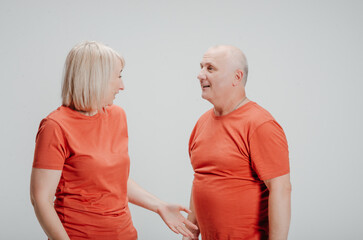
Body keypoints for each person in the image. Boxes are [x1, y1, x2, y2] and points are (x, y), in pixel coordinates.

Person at [30, 41, 198, 240]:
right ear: (96, 78)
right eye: (118, 76)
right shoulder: (55, 126)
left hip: (124, 234)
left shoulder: (117, 116)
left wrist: (159, 206)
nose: (122, 86)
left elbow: (115, 180)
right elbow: (40, 199)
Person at [183, 45, 291, 240]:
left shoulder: (260, 123)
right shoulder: (202, 123)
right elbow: (201, 180)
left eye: (210, 68)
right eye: (201, 67)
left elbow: (281, 189)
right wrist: (190, 235)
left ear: (237, 77)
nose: (200, 75)